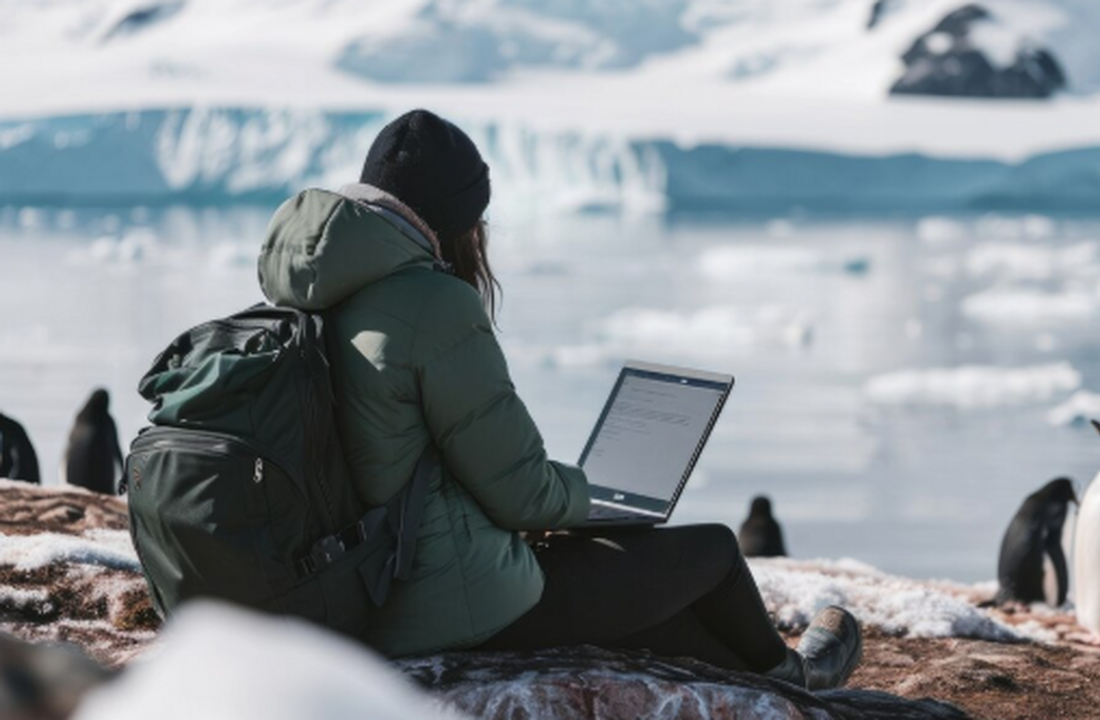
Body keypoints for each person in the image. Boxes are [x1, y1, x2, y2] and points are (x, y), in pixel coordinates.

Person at [256, 109, 862, 690]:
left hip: (362, 587)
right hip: (447, 606)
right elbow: (523, 495)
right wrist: (588, 497)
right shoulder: (433, 305)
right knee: (712, 552)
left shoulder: (314, 290)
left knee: (663, 619)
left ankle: (777, 685)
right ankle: (798, 679)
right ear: (458, 217)